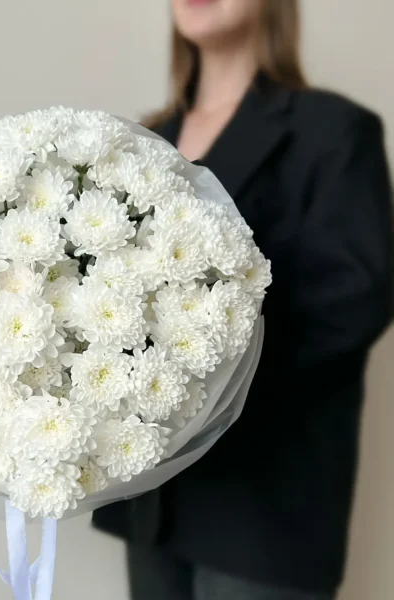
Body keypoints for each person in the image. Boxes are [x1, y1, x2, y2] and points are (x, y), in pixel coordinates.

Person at [92, 0, 393, 598]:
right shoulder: (142, 143)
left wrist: (198, 368)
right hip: (153, 500)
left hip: (266, 503)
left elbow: (356, 296)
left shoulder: (332, 130)